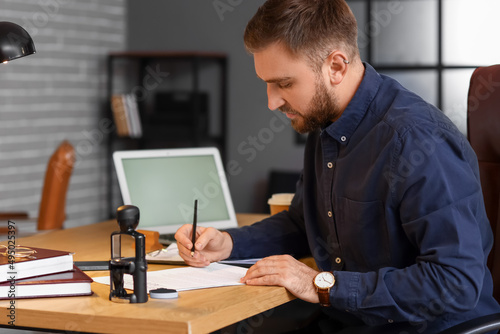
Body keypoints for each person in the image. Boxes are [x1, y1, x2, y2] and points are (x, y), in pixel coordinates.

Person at [175, 0, 500, 332]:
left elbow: (456, 282)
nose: (272, 101)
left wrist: (324, 285)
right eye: (267, 83)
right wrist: (228, 244)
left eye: (284, 83)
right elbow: (304, 225)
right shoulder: (326, 124)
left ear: (336, 66)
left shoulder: (417, 141)